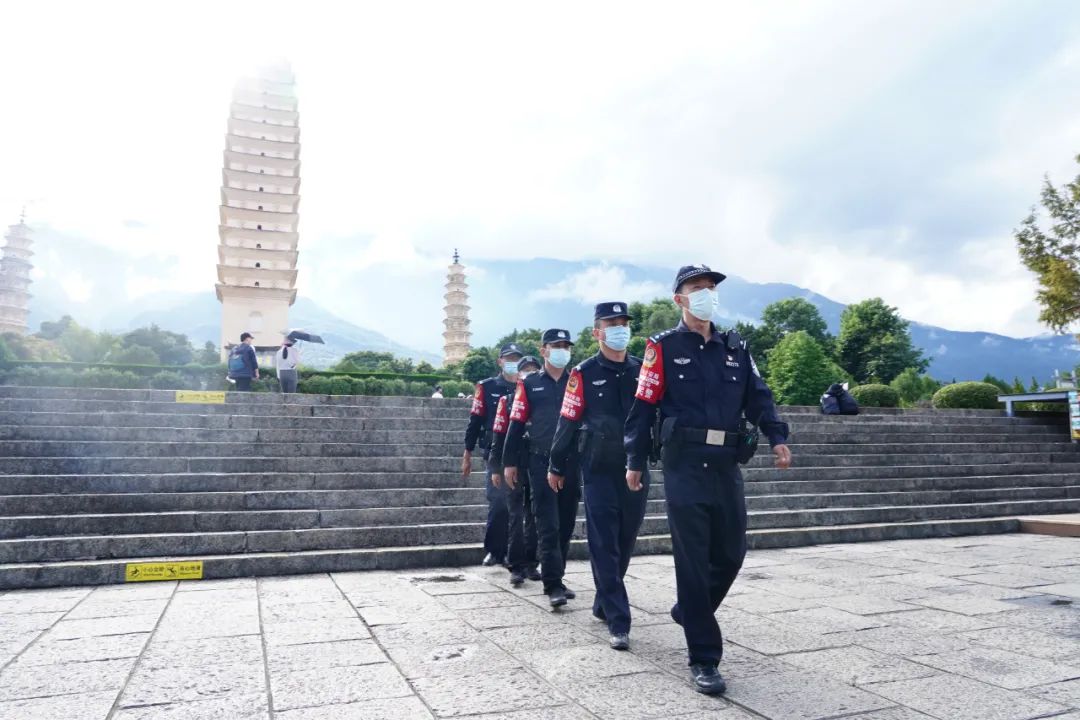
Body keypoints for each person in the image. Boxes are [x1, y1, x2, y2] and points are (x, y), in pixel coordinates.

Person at [624, 264, 792, 695]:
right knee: (693, 560)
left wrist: (776, 436)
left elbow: (759, 396)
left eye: (711, 287)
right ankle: (704, 658)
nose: (707, 293)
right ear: (679, 299)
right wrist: (634, 459)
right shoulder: (661, 347)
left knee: (732, 554)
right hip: (683, 465)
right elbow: (644, 406)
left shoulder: (736, 347)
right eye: (698, 287)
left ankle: (690, 610)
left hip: (725, 464)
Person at [549, 302, 646, 651]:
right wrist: (556, 463)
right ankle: (619, 620)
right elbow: (568, 419)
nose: (619, 329)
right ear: (597, 332)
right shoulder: (584, 373)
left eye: (623, 323)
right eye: (611, 324)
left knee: (625, 539)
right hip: (597, 467)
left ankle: (604, 601)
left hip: (635, 466)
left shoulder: (643, 369)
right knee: (603, 542)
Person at [503, 329, 581, 607]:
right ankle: (552, 585)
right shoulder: (530, 384)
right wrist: (509, 462)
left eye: (566, 346)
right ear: (544, 350)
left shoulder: (577, 380)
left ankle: (558, 575)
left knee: (566, 523)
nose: (562, 350)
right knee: (547, 523)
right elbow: (516, 422)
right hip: (539, 461)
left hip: (572, 462)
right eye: (556, 345)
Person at [463, 343, 525, 566]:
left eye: (516, 358)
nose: (513, 362)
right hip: (495, 452)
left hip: (522, 451)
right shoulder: (487, 387)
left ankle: (513, 552)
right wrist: (467, 452)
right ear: (500, 361)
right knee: (498, 502)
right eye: (509, 358)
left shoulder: (527, 386)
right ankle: (495, 550)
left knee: (518, 506)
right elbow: (475, 420)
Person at [488, 355, 542, 586]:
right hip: (514, 465)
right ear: (518, 375)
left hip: (538, 464)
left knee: (534, 516)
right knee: (516, 515)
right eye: (525, 370)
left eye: (534, 369)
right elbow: (498, 435)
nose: (529, 373)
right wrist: (495, 467)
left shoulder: (544, 398)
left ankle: (532, 563)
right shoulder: (507, 401)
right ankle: (516, 565)